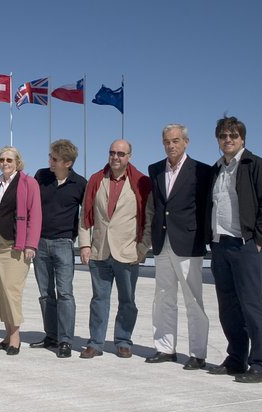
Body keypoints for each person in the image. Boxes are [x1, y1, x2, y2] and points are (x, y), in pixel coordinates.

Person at [206, 115, 262, 383]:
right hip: (220, 246)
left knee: (252, 305)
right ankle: (236, 359)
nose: (228, 140)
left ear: (242, 139)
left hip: (246, 246)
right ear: (218, 139)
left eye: (233, 136)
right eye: (223, 136)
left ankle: (261, 365)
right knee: (228, 307)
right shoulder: (216, 169)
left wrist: (259, 240)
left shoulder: (256, 165)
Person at [78, 139, 152, 359]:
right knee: (99, 300)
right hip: (100, 251)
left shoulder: (141, 182)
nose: (116, 157)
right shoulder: (96, 180)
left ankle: (123, 341)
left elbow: (149, 219)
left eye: (121, 154)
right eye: (112, 153)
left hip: (128, 253)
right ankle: (95, 343)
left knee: (127, 301)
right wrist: (84, 244)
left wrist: (143, 248)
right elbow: (85, 216)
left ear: (129, 156)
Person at [145, 124, 210, 370]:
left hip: (188, 242)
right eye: (166, 141)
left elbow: (205, 207)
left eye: (175, 141)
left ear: (185, 142)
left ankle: (198, 353)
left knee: (192, 298)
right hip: (162, 242)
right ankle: (165, 348)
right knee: (162, 297)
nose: (170, 145)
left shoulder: (201, 171)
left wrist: (203, 237)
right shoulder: (155, 169)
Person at [31, 140, 87, 358]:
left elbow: (86, 216)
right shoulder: (41, 176)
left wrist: (84, 244)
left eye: (54, 159)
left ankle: (65, 340)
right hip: (40, 243)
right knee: (46, 294)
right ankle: (51, 336)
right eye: (50, 157)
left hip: (64, 243)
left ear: (68, 163)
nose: (49, 162)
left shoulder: (80, 183)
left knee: (65, 293)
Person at [0, 146, 41, 355]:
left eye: (9, 159)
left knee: (12, 291)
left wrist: (30, 244)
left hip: (16, 247)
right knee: (1, 292)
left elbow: (35, 214)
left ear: (17, 162)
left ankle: (15, 336)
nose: (5, 163)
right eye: (2, 159)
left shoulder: (29, 183)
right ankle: (7, 334)